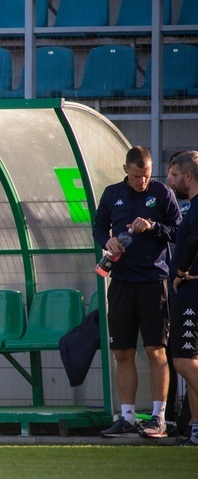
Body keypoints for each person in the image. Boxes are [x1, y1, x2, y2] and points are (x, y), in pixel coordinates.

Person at [92, 146, 181, 438]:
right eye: (136, 176)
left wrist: (153, 226)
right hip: (121, 282)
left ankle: (159, 418)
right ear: (125, 170)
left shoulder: (162, 193)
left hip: (154, 282)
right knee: (122, 352)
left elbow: (179, 231)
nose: (142, 182)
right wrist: (107, 242)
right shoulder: (111, 194)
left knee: (156, 350)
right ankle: (127, 417)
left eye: (146, 176)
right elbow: (98, 227)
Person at [166, 150, 198, 445]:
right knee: (191, 363)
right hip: (186, 293)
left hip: (190, 294)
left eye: (175, 175)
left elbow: (195, 240)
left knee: (184, 363)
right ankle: (196, 429)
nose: (171, 181)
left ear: (188, 176)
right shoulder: (192, 208)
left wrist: (182, 271)